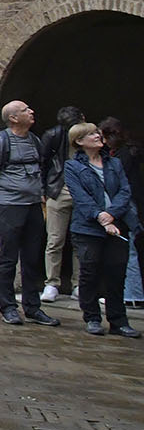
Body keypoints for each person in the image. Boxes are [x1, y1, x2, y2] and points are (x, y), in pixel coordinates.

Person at [0, 100, 57, 326]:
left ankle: (33, 308)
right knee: (8, 257)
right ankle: (8, 307)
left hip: (33, 205)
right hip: (10, 207)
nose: (31, 111)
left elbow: (40, 170)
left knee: (32, 257)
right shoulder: (0, 141)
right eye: (25, 110)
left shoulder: (34, 141)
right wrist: (2, 197)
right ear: (13, 118)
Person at [61, 121, 139, 337]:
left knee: (117, 273)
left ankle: (118, 321)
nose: (98, 136)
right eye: (92, 134)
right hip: (87, 229)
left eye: (97, 133)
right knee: (90, 272)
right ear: (79, 141)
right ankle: (92, 318)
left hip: (117, 224)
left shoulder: (114, 163)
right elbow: (81, 197)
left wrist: (111, 214)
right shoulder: (73, 167)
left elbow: (125, 191)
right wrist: (100, 217)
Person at [97, 116, 144, 308]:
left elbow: (119, 183)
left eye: (103, 137)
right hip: (128, 203)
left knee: (127, 248)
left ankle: (132, 295)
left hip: (126, 205)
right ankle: (129, 294)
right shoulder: (126, 152)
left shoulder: (123, 156)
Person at [39, 106, 85, 303]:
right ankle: (51, 283)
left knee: (80, 239)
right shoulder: (53, 135)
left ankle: (79, 284)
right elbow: (43, 162)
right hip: (58, 188)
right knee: (55, 239)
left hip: (83, 191)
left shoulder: (89, 135)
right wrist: (43, 190)